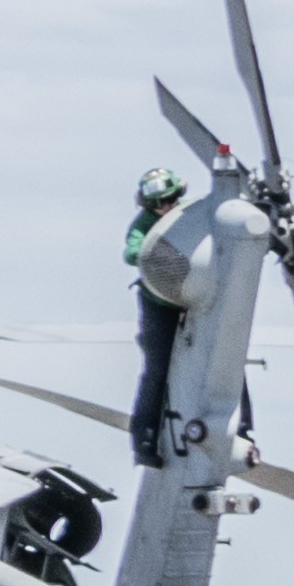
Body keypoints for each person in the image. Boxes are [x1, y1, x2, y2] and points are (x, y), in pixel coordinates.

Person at [118, 169, 203, 459]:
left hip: (195, 298)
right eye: (158, 204)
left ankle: (241, 427)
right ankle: (145, 440)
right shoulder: (144, 223)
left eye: (170, 200)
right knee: (157, 370)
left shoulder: (191, 214)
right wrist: (156, 250)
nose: (165, 207)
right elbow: (131, 252)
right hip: (159, 302)